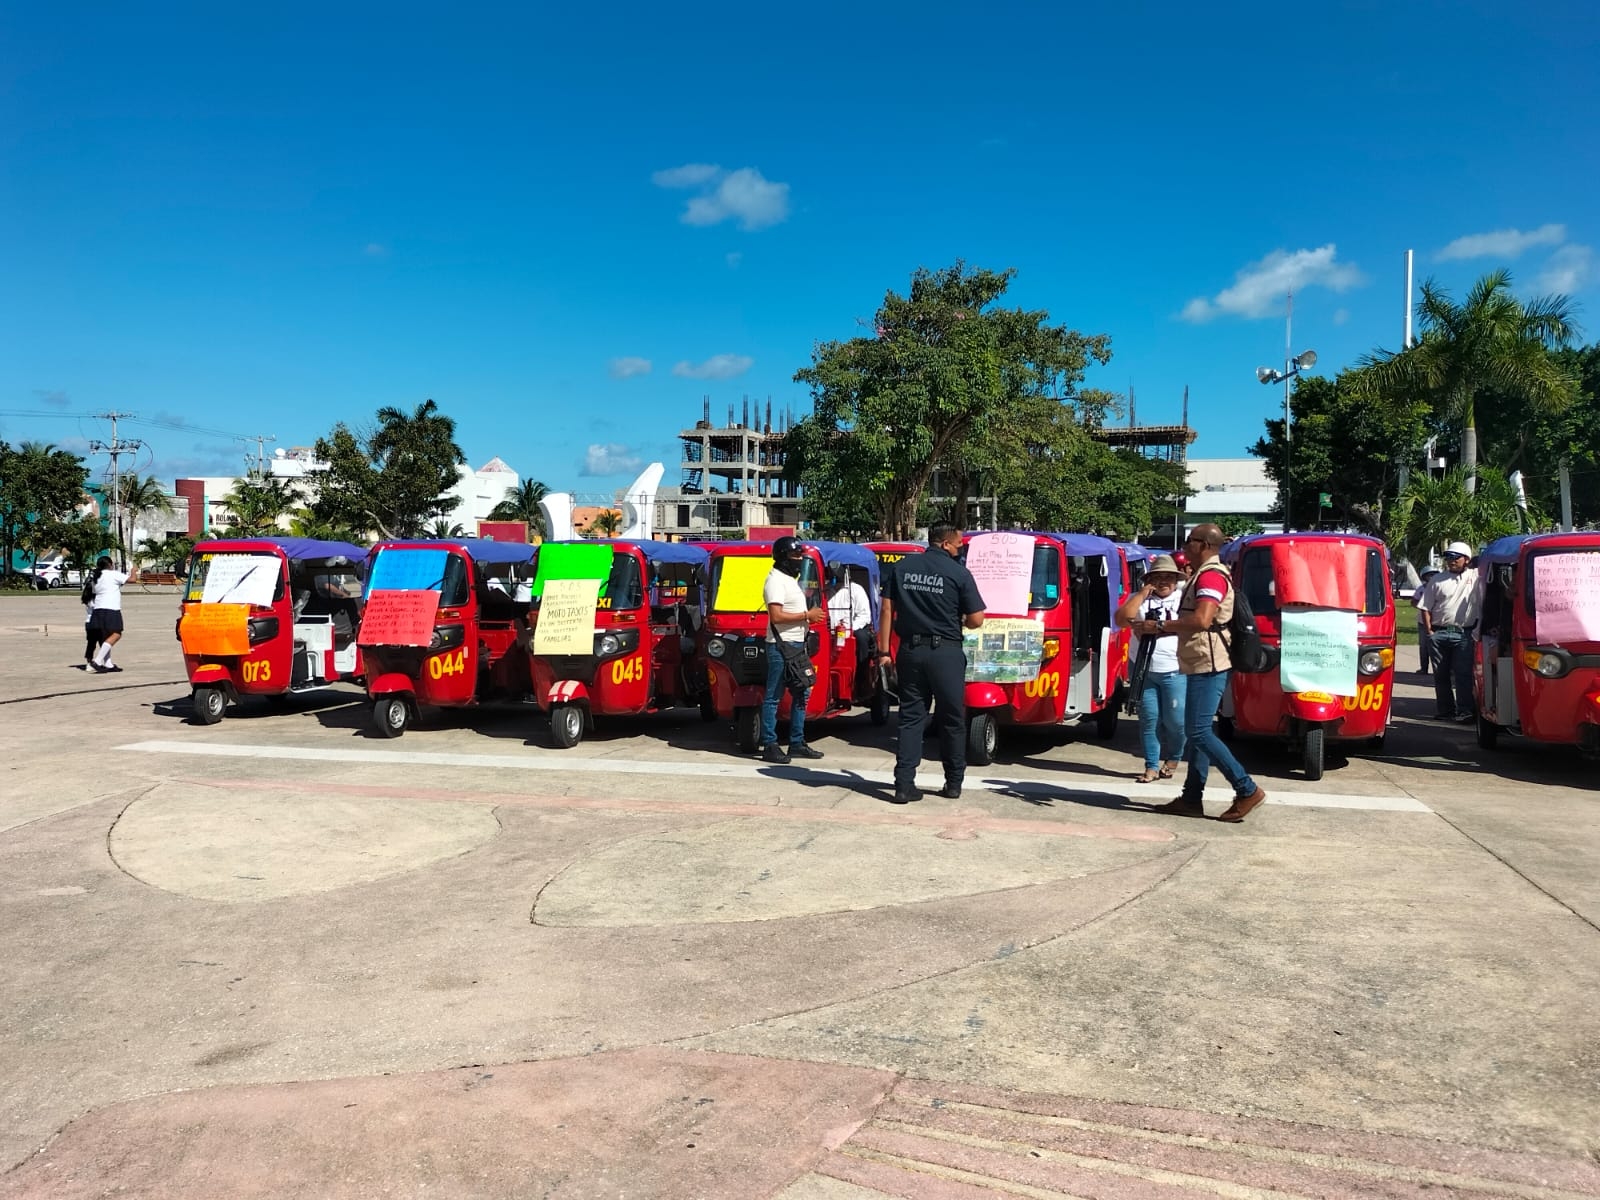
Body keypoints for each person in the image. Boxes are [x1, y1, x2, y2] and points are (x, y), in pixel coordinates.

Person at [1135, 523, 1266, 822]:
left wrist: (1159, 627)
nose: (1184, 546)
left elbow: (1204, 619)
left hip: (1209, 662)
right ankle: (1192, 799)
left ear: (1205, 544)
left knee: (1198, 731)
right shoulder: (1202, 574)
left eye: (1189, 541)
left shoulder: (1210, 576)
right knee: (1197, 733)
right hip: (1198, 661)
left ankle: (1246, 788)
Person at [876, 522, 985, 804]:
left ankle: (903, 785)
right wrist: (958, 618)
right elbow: (976, 620)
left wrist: (884, 651)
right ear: (946, 544)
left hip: (910, 652)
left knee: (911, 718)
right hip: (946, 653)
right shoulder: (959, 573)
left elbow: (887, 609)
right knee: (951, 719)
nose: (961, 549)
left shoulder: (902, 568)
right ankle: (953, 782)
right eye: (959, 544)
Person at [1115, 554, 1187, 784]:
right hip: (1144, 668)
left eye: (1169, 577)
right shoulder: (1142, 600)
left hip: (1175, 669)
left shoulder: (1184, 599)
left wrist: (1156, 628)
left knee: (1176, 721)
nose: (1164, 582)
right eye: (1158, 577)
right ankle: (1151, 766)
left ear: (1176, 580)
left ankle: (1174, 757)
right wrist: (1143, 593)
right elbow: (1121, 619)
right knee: (1149, 719)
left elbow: (1193, 625)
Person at [760, 536, 826, 765]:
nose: (799, 560)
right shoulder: (775, 581)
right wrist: (808, 616)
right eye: (795, 556)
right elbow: (776, 616)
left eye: (800, 555)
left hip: (797, 645)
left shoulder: (789, 580)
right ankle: (769, 743)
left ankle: (797, 742)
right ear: (782, 557)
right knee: (773, 696)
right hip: (781, 646)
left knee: (802, 692)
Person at [1415, 541, 1479, 722]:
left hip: (1464, 634)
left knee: (1463, 673)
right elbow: (1425, 607)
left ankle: (1465, 710)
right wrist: (1429, 632)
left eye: (1455, 557)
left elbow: (1484, 563)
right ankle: (1446, 710)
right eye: (1448, 557)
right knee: (1441, 674)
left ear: (1466, 559)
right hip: (1439, 633)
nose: (1451, 561)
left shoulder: (1474, 576)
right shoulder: (1437, 580)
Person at [827, 566, 875, 688]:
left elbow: (865, 615)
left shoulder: (856, 590)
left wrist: (850, 629)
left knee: (862, 638)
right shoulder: (825, 590)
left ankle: (862, 679)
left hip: (852, 629)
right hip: (829, 630)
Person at [86, 555, 129, 673]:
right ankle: (98, 661)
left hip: (98, 609)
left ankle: (108, 663)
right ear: (110, 564)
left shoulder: (96, 577)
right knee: (116, 634)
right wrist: (134, 571)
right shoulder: (113, 574)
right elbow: (132, 580)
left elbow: (95, 591)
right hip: (111, 608)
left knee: (105, 636)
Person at [1412, 567, 1441, 676]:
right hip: (1422, 622)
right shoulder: (1421, 589)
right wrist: (1422, 606)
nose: (1432, 577)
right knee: (1424, 646)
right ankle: (1424, 668)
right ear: (1424, 577)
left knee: (1438, 646)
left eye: (1434, 574)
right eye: (1429, 575)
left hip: (1438, 621)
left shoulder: (1439, 587)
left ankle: (1440, 669)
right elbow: (1413, 602)